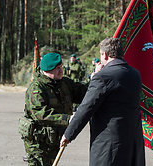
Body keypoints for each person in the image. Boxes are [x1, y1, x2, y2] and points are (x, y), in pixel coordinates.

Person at [60, 37, 145, 166]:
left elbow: (87, 107)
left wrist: (69, 134)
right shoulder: (135, 74)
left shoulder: (103, 77)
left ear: (104, 54)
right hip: (132, 140)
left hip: (109, 144)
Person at [21, 52, 87, 166]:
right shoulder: (36, 88)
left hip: (54, 138)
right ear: (47, 70)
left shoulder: (64, 83)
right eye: (57, 69)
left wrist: (98, 78)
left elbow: (82, 92)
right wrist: (67, 119)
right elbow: (41, 114)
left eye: (61, 67)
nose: (61, 71)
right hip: (38, 142)